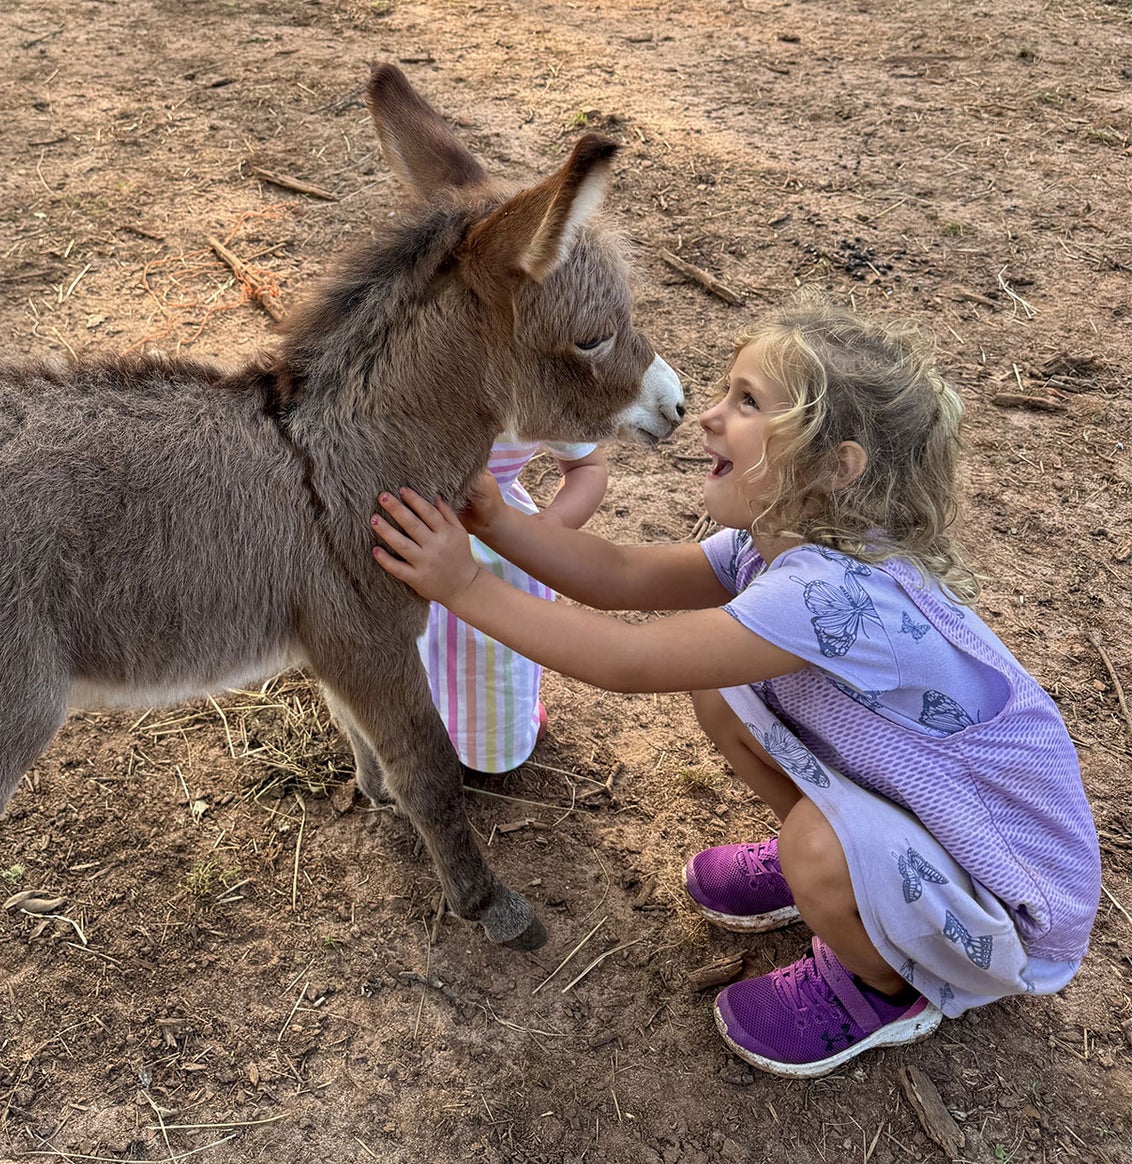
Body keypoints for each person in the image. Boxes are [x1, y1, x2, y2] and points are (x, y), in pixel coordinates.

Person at [369, 302, 1100, 1079]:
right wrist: (498, 524)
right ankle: (848, 878)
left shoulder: (826, 592)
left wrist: (464, 587)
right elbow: (622, 575)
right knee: (725, 694)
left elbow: (627, 660)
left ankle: (885, 986)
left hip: (1011, 907)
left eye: (746, 402)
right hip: (939, 827)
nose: (709, 416)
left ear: (834, 468)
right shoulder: (786, 541)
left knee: (815, 844)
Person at [423, 439, 607, 775]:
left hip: (493, 541)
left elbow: (588, 465)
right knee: (481, 659)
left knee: (487, 650)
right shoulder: (533, 403)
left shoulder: (535, 400)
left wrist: (540, 530)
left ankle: (481, 744)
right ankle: (489, 743)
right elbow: (587, 465)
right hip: (452, 547)